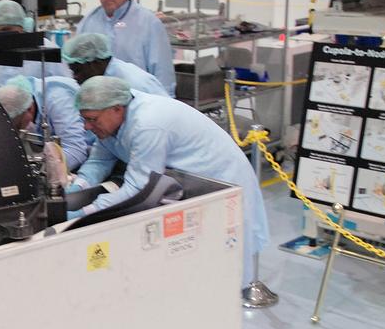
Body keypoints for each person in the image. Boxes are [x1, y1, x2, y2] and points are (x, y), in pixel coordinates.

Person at [69, 77, 269, 288]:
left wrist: (85, 213)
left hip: (220, 178)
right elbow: (100, 159)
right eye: (84, 119)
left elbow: (138, 187)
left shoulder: (148, 124)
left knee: (224, 265)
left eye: (92, 119)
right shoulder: (113, 119)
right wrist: (77, 188)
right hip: (188, 181)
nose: (87, 126)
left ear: (116, 109)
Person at [74, 0, 176, 95]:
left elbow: (162, 68)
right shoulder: (89, 22)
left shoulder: (147, 22)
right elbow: (77, 64)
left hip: (138, 97)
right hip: (99, 102)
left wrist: (166, 100)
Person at [0, 74, 90, 171]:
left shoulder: (57, 100)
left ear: (30, 109)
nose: (18, 132)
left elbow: (76, 150)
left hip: (90, 149)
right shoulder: (10, 98)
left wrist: (46, 170)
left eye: (18, 126)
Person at [0, 0, 70, 88]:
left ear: (21, 27)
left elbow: (66, 85)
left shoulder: (46, 49)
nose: (1, 35)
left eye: (6, 29)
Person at [62, 32, 168, 97]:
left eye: (77, 71)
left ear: (95, 63)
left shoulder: (130, 85)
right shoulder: (106, 78)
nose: (75, 77)